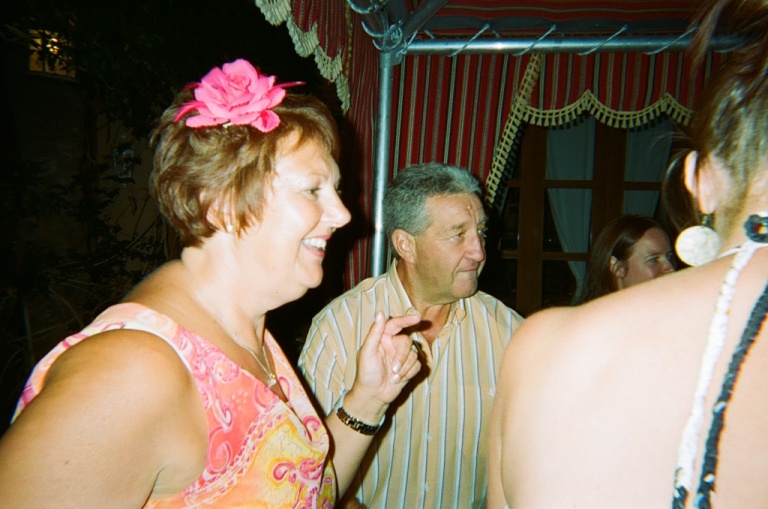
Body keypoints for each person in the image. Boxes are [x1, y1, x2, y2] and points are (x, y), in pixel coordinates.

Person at [0, 59, 422, 507]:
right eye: (312, 189)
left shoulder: (247, 334)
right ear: (220, 203)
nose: (343, 214)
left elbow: (303, 490)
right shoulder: (130, 373)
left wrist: (368, 400)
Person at [487, 0, 768, 507]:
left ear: (702, 181)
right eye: (652, 259)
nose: (668, 269)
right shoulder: (564, 342)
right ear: (616, 267)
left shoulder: (550, 347)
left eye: (667, 258)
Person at [300, 162, 525, 508]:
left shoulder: (511, 333)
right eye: (458, 235)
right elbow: (306, 466)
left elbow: (526, 465)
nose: (479, 251)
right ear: (405, 245)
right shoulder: (340, 327)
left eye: (480, 231)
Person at [574, 213, 677, 304]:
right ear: (618, 268)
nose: (670, 268)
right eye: (653, 260)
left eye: (669, 257)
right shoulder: (598, 317)